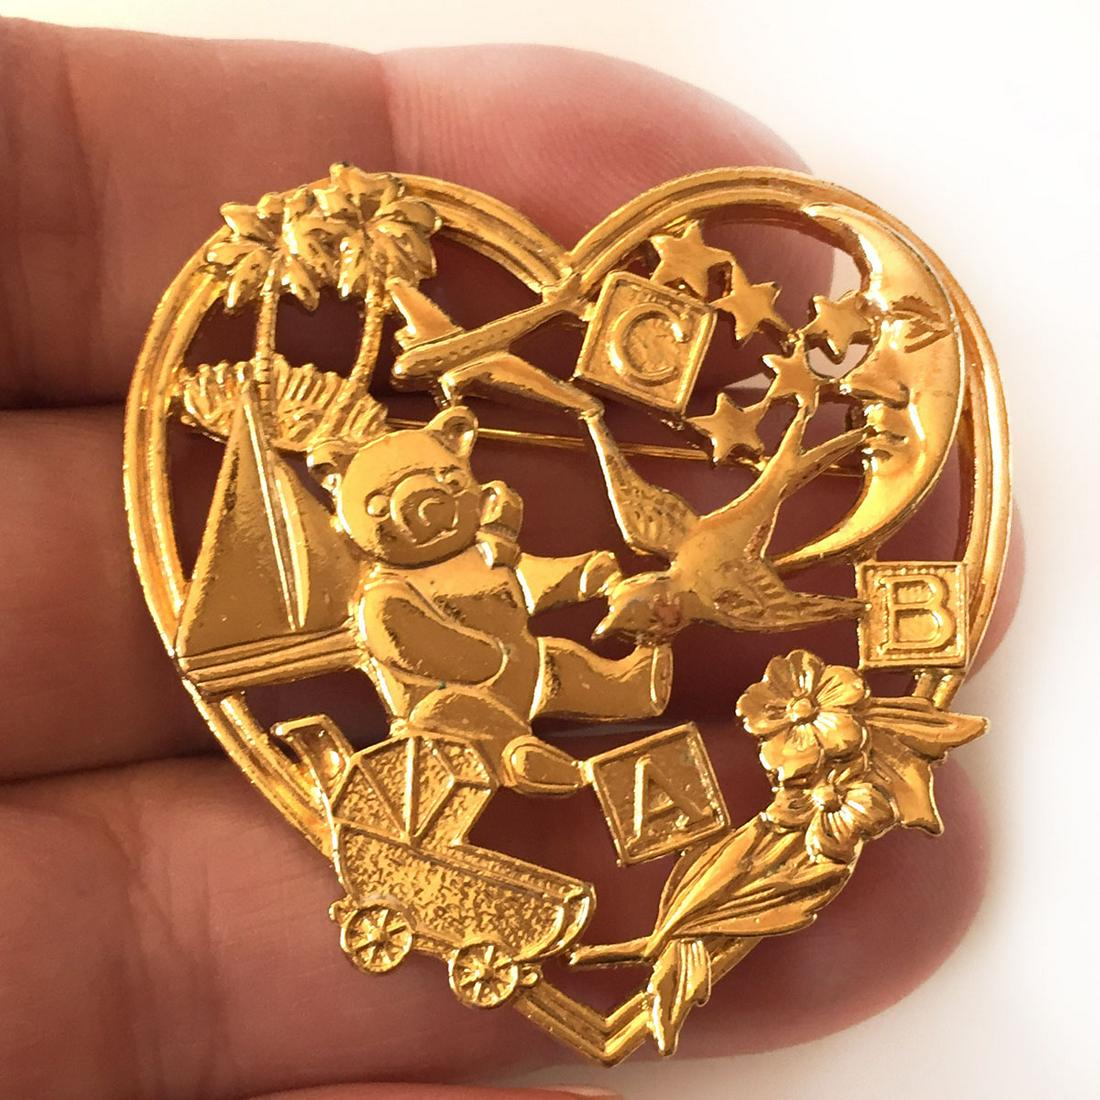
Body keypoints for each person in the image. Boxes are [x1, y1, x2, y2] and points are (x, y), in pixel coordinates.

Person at [0, 17, 1018, 1100]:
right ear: (347, 512)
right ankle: (525, 772)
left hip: (529, 674)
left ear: (459, 463)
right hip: (460, 709)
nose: (423, 510)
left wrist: (591, 581)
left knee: (597, 677)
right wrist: (483, 662)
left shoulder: (482, 555)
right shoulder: (387, 598)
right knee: (479, 720)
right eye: (392, 505)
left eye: (434, 489)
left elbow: (532, 582)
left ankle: (621, 695)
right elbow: (408, 642)